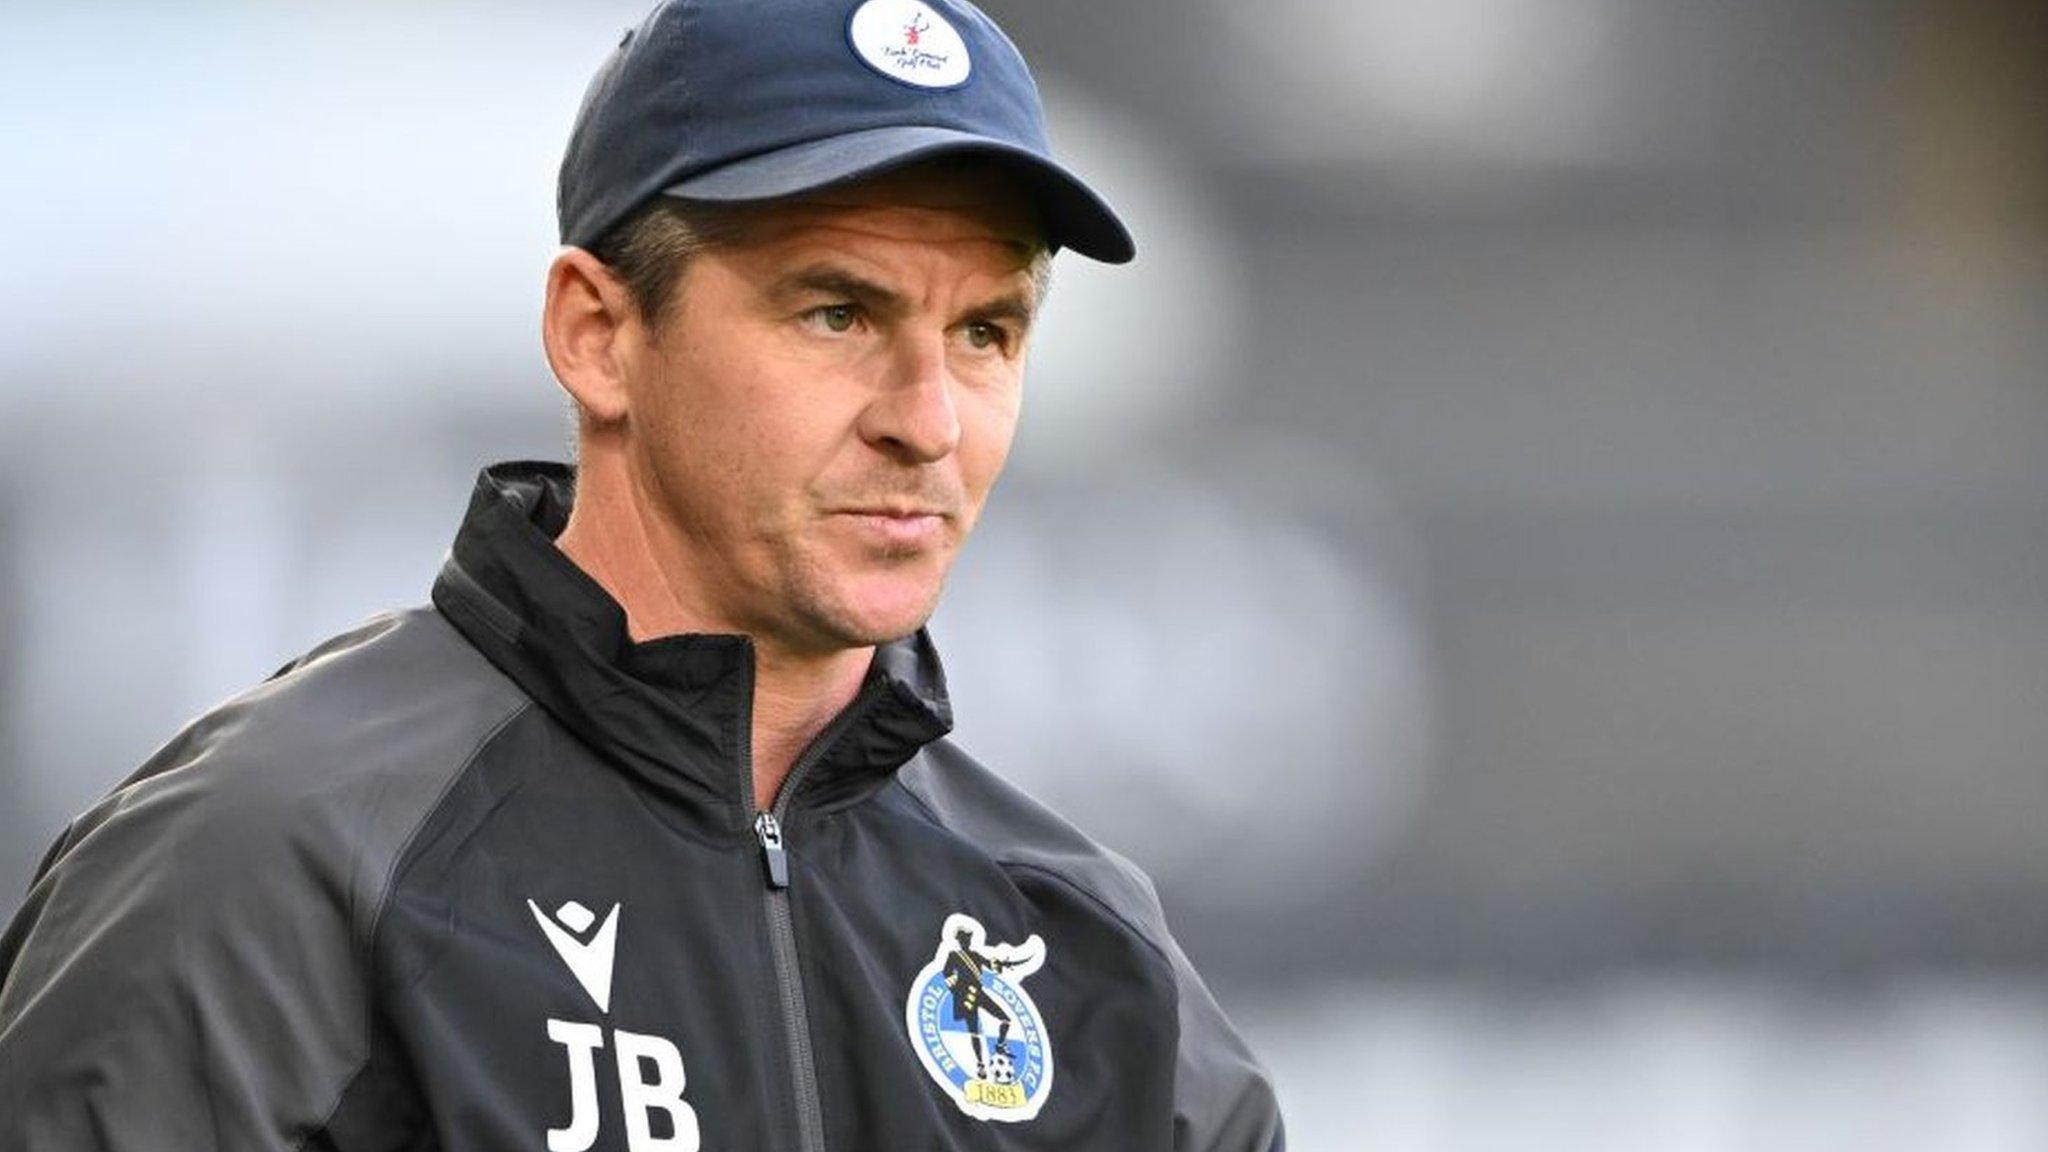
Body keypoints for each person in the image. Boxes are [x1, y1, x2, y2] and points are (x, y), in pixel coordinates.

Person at [0, 1, 1284, 1149]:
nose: (927, 420)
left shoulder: (1090, 953)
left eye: (984, 333)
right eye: (836, 313)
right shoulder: (276, 859)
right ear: (597, 335)